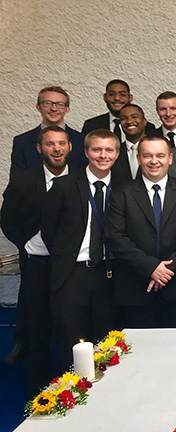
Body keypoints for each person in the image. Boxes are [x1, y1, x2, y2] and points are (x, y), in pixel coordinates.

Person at [41, 129, 120, 373]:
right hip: (73, 274)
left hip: (110, 274)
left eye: (109, 150)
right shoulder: (64, 186)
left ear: (117, 154)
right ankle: (74, 393)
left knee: (108, 341)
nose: (102, 155)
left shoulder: (125, 188)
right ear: (86, 152)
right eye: (97, 149)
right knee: (72, 340)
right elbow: (49, 231)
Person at [105, 136, 176, 327]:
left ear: (170, 158)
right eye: (148, 155)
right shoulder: (121, 193)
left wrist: (166, 271)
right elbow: (115, 237)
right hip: (136, 287)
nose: (154, 161)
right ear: (138, 158)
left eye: (160, 155)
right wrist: (151, 267)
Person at [1, 126, 70, 393]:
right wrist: (26, 244)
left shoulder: (79, 180)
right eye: (50, 144)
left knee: (68, 326)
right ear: (40, 148)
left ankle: (73, 384)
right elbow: (7, 220)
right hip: (37, 265)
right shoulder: (23, 181)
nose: (56, 149)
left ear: (70, 147)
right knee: (38, 328)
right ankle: (38, 390)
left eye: (61, 143)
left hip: (69, 268)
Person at [11, 86, 86, 175]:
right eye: (47, 103)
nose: (54, 108)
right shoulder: (22, 142)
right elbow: (17, 181)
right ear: (38, 107)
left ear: (67, 109)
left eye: (60, 104)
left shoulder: (82, 140)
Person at [81, 79, 155, 140]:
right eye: (111, 94)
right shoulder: (91, 125)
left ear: (130, 98)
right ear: (105, 97)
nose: (117, 98)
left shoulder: (147, 127)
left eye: (122, 94)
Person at [111, 103, 148, 185]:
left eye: (134, 117)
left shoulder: (156, 149)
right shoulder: (114, 152)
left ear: (144, 121)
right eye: (124, 118)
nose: (129, 121)